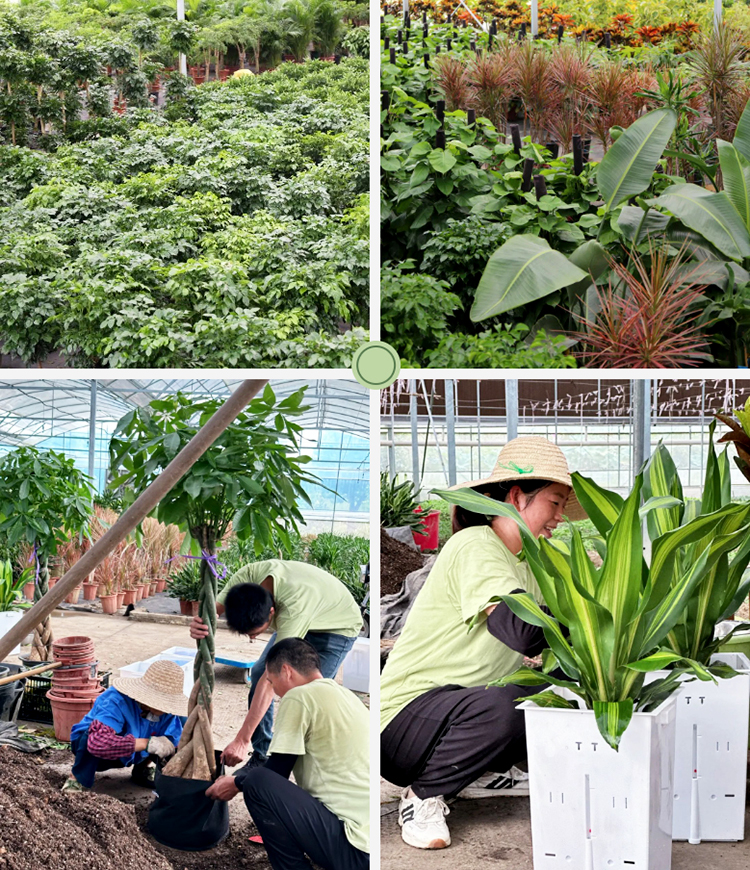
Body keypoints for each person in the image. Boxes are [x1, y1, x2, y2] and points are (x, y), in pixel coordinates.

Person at [380, 436, 585, 850]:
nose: (560, 518)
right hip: (403, 723)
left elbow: (549, 642)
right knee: (514, 703)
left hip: (451, 712)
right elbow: (521, 632)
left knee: (559, 690)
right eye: (555, 503)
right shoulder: (476, 545)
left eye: (564, 506)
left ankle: (477, 771)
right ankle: (421, 798)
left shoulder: (528, 562)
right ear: (517, 497)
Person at [205, 637, 369, 870]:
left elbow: (277, 771)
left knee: (256, 780)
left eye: (271, 682)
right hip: (367, 844)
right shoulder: (347, 697)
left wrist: (235, 782)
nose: (276, 692)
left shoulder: (300, 696)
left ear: (286, 671)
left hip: (352, 847)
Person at [190, 558, 362, 767]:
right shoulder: (247, 578)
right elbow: (212, 609)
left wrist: (241, 740)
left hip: (335, 626)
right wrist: (198, 623)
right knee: (259, 670)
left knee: (310, 695)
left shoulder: (293, 608)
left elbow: (272, 680)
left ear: (272, 612)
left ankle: (312, 764)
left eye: (256, 633)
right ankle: (261, 756)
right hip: (306, 608)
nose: (252, 639)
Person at [62, 659, 186, 792]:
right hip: (94, 751)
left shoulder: (168, 713)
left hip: (133, 753)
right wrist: (147, 743)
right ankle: (77, 778)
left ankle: (141, 770)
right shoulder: (117, 700)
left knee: (173, 733)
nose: (167, 709)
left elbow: (175, 742)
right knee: (90, 737)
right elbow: (97, 742)